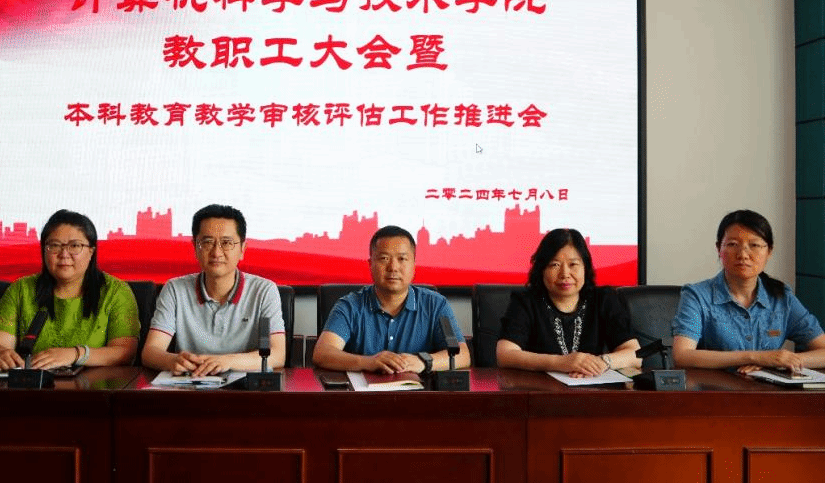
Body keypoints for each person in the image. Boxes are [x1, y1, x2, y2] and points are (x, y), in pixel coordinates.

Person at [0, 209, 140, 371]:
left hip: (94, 384)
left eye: (75, 246)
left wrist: (75, 354)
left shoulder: (115, 292)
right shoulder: (22, 289)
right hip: (32, 383)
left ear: (91, 251)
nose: (64, 254)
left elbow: (125, 353)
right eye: (54, 245)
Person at [672, 209, 825, 373]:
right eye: (733, 244)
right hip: (715, 388)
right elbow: (682, 355)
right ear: (718, 249)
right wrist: (755, 357)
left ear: (769, 251)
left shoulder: (782, 297)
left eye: (754, 245)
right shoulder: (697, 296)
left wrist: (782, 361)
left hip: (767, 388)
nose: (743, 254)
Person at [140, 204, 285, 376]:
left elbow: (277, 355)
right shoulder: (175, 290)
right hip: (190, 384)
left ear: (242, 249)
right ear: (195, 247)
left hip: (244, 388)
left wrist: (226, 361)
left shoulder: (264, 291)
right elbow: (150, 352)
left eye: (227, 243)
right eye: (207, 242)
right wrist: (173, 361)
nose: (216, 252)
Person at [312, 225, 470, 373]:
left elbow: (462, 355)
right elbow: (322, 353)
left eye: (402, 259)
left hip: (420, 391)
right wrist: (368, 362)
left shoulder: (435, 305)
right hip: (362, 392)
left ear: (414, 265)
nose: (393, 267)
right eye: (384, 258)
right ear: (370, 264)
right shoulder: (350, 306)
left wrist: (423, 362)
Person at [496, 228, 640, 376]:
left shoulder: (604, 299)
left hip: (592, 386)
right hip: (539, 388)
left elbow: (635, 354)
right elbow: (505, 354)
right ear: (541, 270)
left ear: (585, 267)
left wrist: (600, 363)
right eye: (555, 265)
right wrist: (561, 363)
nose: (565, 274)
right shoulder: (525, 301)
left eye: (573, 265)